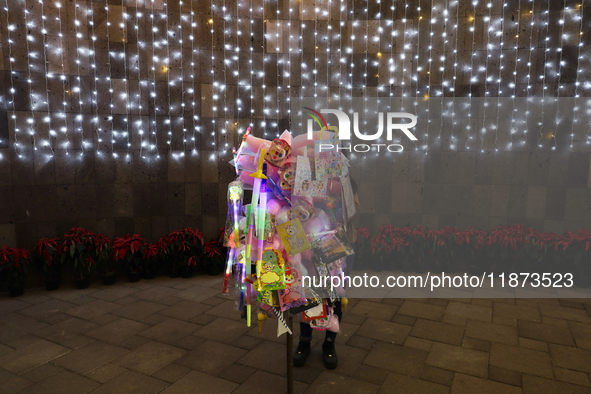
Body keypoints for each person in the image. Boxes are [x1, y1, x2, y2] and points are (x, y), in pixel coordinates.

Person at [293, 176, 361, 370]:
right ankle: (304, 340)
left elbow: (354, 212)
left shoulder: (345, 181)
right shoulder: (302, 174)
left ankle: (329, 342)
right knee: (306, 293)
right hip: (306, 243)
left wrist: (335, 199)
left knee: (335, 294)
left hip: (337, 243)